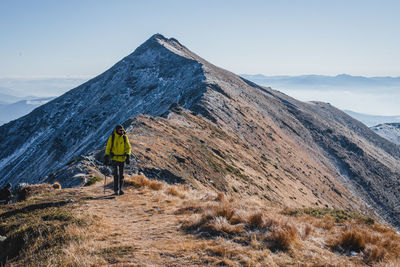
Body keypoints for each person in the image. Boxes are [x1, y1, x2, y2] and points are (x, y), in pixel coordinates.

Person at [104, 125, 131, 195]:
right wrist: (106, 156)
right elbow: (108, 147)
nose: (121, 131)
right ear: (116, 130)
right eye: (120, 130)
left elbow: (128, 147)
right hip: (114, 159)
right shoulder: (112, 137)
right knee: (116, 174)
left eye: (122, 130)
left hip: (122, 159)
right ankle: (116, 190)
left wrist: (128, 155)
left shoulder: (124, 137)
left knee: (121, 175)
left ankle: (121, 189)